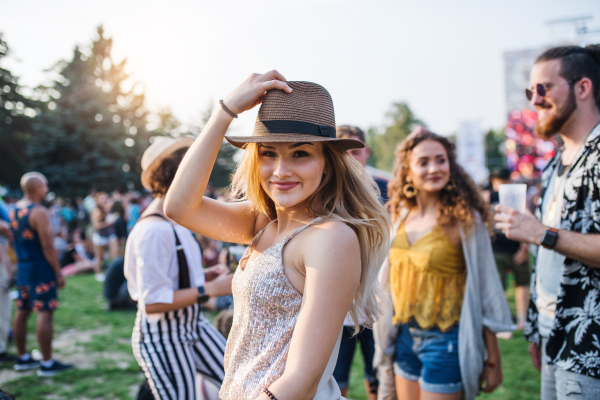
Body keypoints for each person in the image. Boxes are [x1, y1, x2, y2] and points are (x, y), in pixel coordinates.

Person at [165, 72, 391, 400]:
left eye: (300, 153)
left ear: (326, 164)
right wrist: (225, 112)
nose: (281, 170)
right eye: (268, 153)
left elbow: (303, 378)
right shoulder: (263, 221)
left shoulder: (330, 238)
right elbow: (180, 207)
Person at [373, 128, 514, 400]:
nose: (434, 168)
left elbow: (486, 288)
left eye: (441, 159)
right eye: (423, 162)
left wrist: (493, 359)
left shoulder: (464, 220)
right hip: (403, 338)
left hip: (447, 341)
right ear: (408, 170)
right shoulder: (400, 216)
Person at [495, 44, 600, 399]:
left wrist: (541, 233)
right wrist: (538, 332)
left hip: (590, 347)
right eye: (530, 91)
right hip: (555, 337)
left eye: (544, 88)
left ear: (582, 88)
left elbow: (551, 240)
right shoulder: (556, 162)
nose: (534, 100)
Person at [126, 137, 233, 400]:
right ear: (177, 174)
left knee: (241, 381)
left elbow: (171, 276)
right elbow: (152, 302)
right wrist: (211, 288)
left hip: (193, 325)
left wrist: (202, 276)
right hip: (164, 339)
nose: (204, 179)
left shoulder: (175, 220)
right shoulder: (153, 230)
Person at [333, 125, 387, 399]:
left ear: (365, 151)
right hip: (339, 305)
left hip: (376, 299)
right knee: (336, 376)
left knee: (375, 371)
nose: (351, 158)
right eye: (345, 152)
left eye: (356, 151)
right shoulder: (326, 192)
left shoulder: (384, 189)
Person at [9, 172, 73, 376]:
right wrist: (58, 272)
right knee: (44, 312)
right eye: (45, 186)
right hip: (40, 269)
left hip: (23, 269)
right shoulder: (38, 211)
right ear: (37, 189)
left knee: (22, 311)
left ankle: (23, 358)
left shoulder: (14, 210)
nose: (47, 189)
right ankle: (47, 363)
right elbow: (48, 246)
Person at [488, 168, 530, 330]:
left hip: (515, 247)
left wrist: (524, 248)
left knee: (520, 284)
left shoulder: (516, 197)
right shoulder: (489, 197)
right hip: (498, 249)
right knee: (500, 287)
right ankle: (505, 322)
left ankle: (521, 321)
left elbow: (528, 222)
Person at [91, 191, 118, 282]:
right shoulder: (96, 211)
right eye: (102, 199)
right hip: (100, 236)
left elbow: (113, 202)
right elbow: (96, 225)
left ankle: (114, 273)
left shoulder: (107, 208)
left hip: (110, 234)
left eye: (105, 198)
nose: (104, 200)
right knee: (99, 256)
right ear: (97, 200)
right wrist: (108, 222)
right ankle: (98, 273)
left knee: (115, 253)